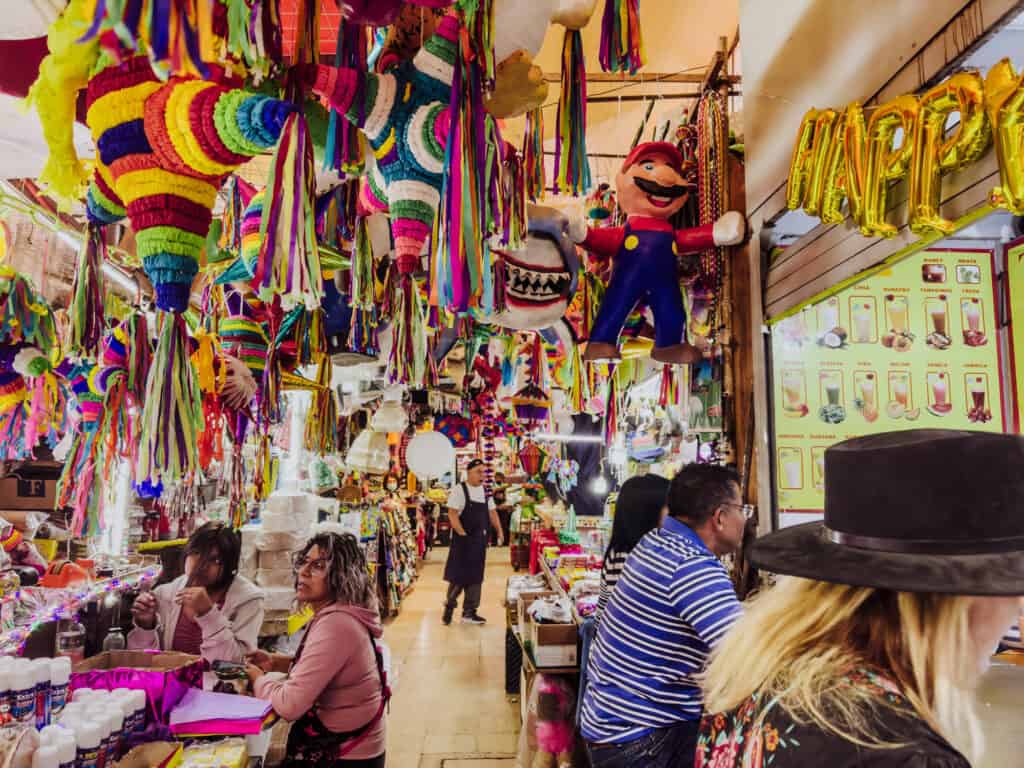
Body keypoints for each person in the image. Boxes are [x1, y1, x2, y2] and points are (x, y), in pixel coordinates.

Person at [697, 430, 1024, 768]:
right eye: (1009, 579)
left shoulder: (760, 674)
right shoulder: (897, 752)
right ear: (955, 599)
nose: (1018, 603)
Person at [580, 463, 745, 768]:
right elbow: (747, 653)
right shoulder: (691, 565)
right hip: (641, 737)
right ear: (720, 517)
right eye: (741, 508)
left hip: (611, 721)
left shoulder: (654, 542)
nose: (745, 518)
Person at [247, 532, 388, 768]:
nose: (303, 571)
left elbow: (290, 705)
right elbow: (327, 669)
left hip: (346, 756)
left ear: (340, 576)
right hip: (354, 747)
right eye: (304, 562)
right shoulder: (342, 612)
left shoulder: (337, 624)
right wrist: (276, 662)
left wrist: (257, 679)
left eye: (318, 566)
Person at [129, 521, 264, 678]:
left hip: (220, 696)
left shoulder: (248, 600)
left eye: (215, 560)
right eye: (197, 553)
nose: (202, 565)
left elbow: (236, 668)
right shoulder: (165, 594)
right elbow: (143, 663)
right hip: (171, 692)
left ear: (229, 568)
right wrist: (146, 626)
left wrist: (208, 615)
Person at [597, 473, 670, 617]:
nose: (673, 514)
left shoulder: (622, 551)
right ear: (649, 512)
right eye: (668, 507)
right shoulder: (630, 558)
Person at [442, 458, 503, 626]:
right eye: (478, 472)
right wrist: (462, 534)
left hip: (479, 542)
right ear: (468, 472)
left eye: (484, 472)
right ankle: (450, 605)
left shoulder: (485, 491)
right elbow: (453, 514)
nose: (482, 475)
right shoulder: (459, 490)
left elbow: (492, 513)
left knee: (476, 577)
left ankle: (469, 612)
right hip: (463, 541)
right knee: (459, 577)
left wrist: (500, 531)